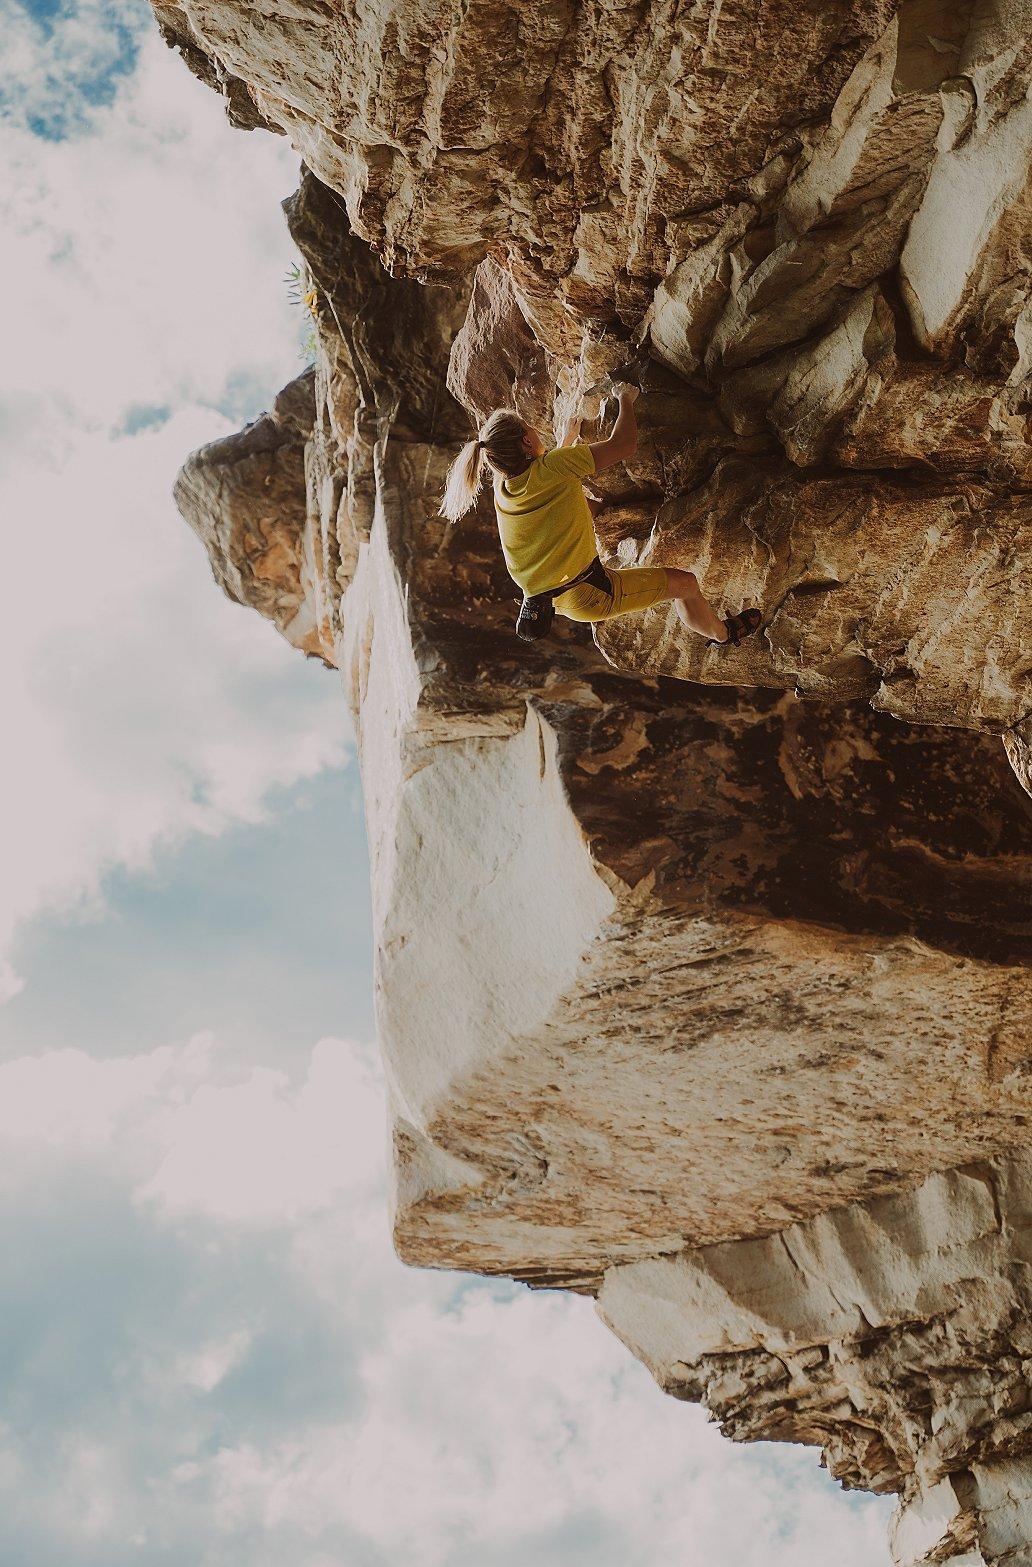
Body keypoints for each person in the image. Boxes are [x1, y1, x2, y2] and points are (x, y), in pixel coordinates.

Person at [439, 383, 761, 644]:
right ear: (526, 440)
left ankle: (720, 631)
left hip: (555, 599)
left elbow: (541, 476)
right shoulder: (555, 467)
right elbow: (624, 445)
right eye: (530, 428)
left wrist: (566, 440)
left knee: (590, 509)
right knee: (686, 584)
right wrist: (626, 398)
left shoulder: (503, 490)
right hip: (593, 591)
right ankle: (723, 634)